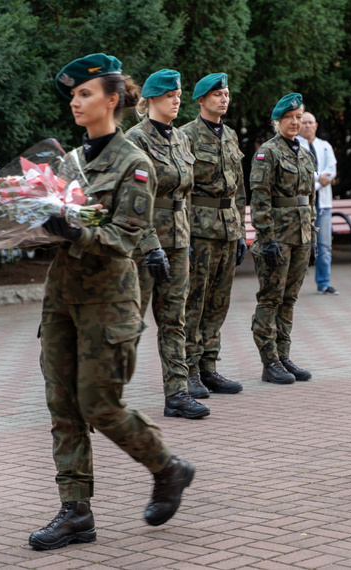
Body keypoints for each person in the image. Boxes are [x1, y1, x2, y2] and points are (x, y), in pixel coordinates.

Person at [29, 53, 194, 551]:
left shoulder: (135, 163)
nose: (76, 103)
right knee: (63, 405)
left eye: (85, 94)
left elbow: (125, 238)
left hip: (108, 304)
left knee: (99, 404)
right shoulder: (67, 163)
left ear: (113, 99)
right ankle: (76, 512)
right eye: (74, 96)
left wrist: (73, 231)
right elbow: (48, 228)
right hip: (61, 300)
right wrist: (26, 228)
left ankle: (167, 468)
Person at [125, 69, 210, 419]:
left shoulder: (180, 139)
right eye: (171, 95)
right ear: (152, 100)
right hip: (144, 244)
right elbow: (132, 200)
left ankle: (177, 393)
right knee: (129, 321)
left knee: (175, 318)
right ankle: (101, 390)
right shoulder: (135, 139)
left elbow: (184, 196)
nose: (178, 101)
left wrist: (185, 237)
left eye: (178, 94)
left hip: (177, 239)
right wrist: (149, 245)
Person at [180, 72, 246, 397]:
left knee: (219, 301)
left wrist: (243, 230)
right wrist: (185, 236)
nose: (224, 99)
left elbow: (241, 189)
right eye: (217, 94)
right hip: (200, 229)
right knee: (195, 300)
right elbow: (181, 188)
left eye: (227, 93)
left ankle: (209, 367)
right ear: (201, 100)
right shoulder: (186, 136)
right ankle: (188, 369)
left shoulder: (231, 135)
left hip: (228, 227)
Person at [249, 93, 317, 385]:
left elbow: (309, 200)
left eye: (299, 117)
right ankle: (269, 361)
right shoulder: (268, 152)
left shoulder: (305, 153)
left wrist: (312, 237)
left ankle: (283, 354)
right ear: (277, 121)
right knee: (271, 298)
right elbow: (260, 198)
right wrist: (266, 237)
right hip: (277, 237)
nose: (295, 122)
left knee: (289, 299)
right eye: (289, 117)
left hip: (300, 236)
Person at [296, 112, 338, 295]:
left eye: (310, 123)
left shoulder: (325, 145)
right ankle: (293, 284)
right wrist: (317, 180)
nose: (307, 126)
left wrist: (317, 182)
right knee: (299, 245)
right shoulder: (294, 145)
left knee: (324, 245)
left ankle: (324, 283)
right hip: (302, 204)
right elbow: (299, 172)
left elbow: (331, 170)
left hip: (323, 205)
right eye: (303, 122)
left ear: (316, 125)